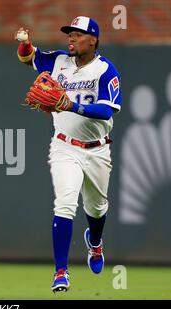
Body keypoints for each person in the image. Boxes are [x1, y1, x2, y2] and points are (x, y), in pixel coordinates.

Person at [15, 16, 121, 292]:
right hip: (64, 145)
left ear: (93, 39)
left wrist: (71, 104)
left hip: (97, 149)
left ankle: (95, 243)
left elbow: (107, 110)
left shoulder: (105, 70)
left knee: (96, 209)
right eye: (69, 34)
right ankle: (60, 272)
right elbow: (29, 59)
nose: (71, 39)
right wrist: (25, 44)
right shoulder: (59, 61)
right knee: (64, 204)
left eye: (78, 34)